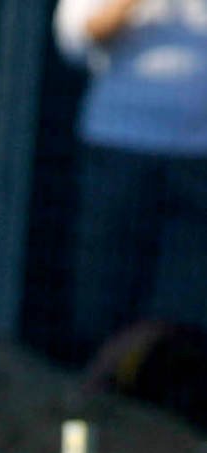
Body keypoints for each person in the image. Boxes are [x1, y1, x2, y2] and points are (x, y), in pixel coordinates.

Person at [54, 0, 207, 362]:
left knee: (184, 306)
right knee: (103, 298)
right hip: (120, 143)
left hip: (199, 157)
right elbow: (77, 41)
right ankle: (91, 399)